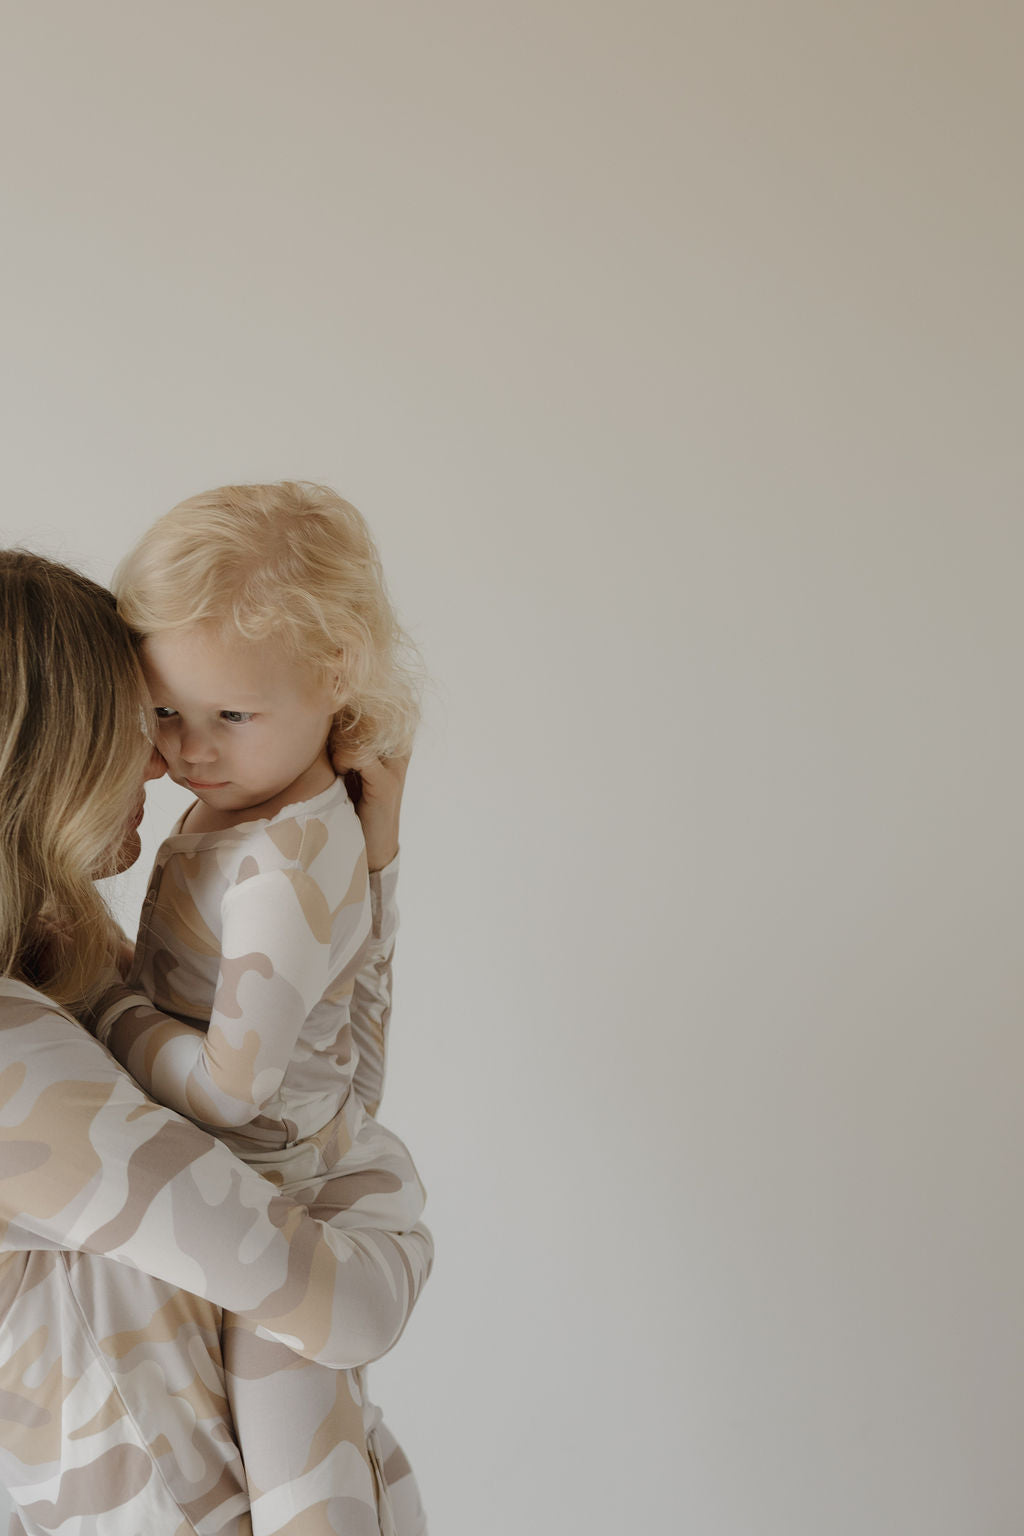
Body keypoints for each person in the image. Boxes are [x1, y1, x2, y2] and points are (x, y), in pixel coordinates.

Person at [0, 549, 432, 1535]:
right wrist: (397, 1227)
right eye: (141, 722)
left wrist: (366, 872)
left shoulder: (72, 969)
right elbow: (345, 1310)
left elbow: (326, 1098)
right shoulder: (16, 1052)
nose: (165, 763)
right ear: (49, 756)